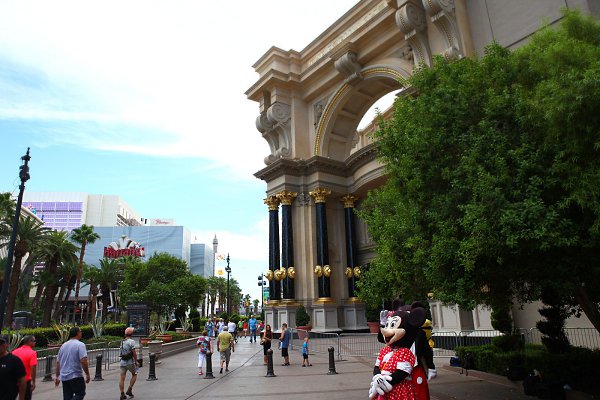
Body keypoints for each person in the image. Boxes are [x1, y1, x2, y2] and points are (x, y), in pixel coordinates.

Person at [55, 326, 90, 400]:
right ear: (78, 333)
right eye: (80, 331)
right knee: (80, 393)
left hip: (64, 376)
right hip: (75, 375)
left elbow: (58, 362)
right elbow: (83, 360)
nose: (81, 333)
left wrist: (57, 376)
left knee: (67, 396)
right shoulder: (80, 345)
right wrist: (87, 374)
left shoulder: (63, 346)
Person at [0, 334, 26, 400]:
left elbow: (22, 381)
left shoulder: (14, 360)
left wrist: (21, 398)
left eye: (1, 343)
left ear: (7, 344)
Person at [12, 335, 37, 400]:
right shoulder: (32, 353)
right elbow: (33, 368)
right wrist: (33, 382)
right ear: (30, 342)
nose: (35, 342)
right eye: (34, 341)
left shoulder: (14, 352)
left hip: (14, 380)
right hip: (26, 381)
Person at [118, 327, 138, 400]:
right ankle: (129, 389)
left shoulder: (122, 341)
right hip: (130, 362)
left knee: (122, 378)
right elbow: (134, 352)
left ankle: (122, 393)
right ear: (131, 334)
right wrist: (136, 361)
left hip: (122, 362)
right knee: (135, 374)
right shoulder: (132, 341)